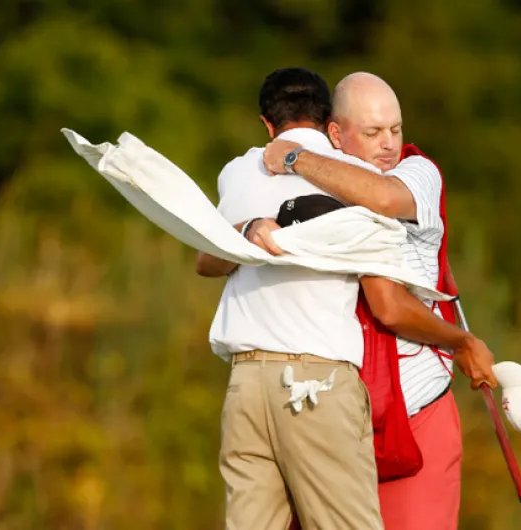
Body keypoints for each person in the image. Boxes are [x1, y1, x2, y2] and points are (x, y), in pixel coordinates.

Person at [197, 68, 496, 530]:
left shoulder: (406, 173)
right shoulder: (347, 176)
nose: (389, 144)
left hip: (389, 404)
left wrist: (292, 160)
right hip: (321, 392)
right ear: (334, 132)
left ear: (267, 123)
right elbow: (388, 304)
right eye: (374, 131)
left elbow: (207, 258)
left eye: (396, 129)